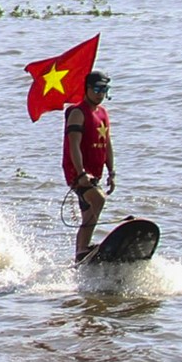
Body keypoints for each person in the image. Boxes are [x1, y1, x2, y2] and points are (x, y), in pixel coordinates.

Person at [65, 70, 116, 260]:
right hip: (78, 172)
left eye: (104, 89)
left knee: (89, 211)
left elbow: (107, 143)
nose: (100, 93)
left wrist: (112, 172)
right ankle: (82, 249)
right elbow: (73, 145)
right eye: (97, 89)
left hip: (96, 173)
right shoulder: (78, 112)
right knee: (98, 200)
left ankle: (80, 254)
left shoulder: (102, 113)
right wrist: (80, 173)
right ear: (87, 89)